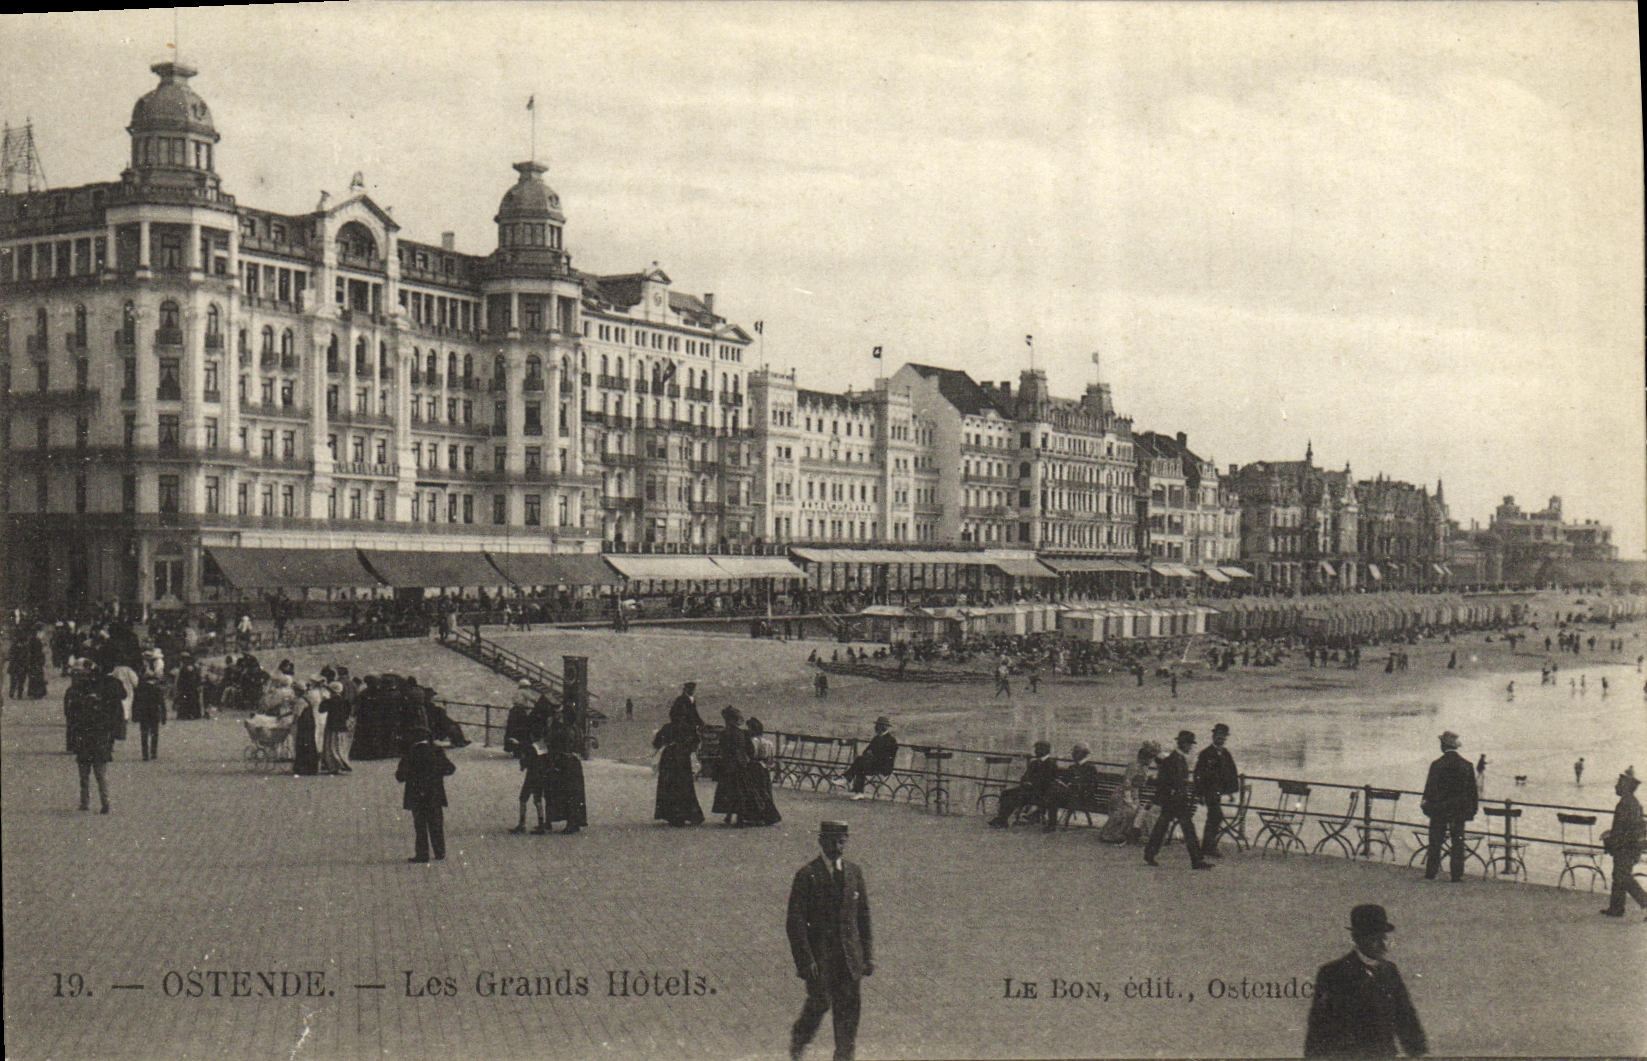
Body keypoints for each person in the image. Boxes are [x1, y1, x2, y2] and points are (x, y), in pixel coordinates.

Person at [786, 820, 873, 1061]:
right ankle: (800, 1038)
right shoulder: (807, 875)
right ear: (821, 841)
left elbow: (863, 917)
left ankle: (844, 1056)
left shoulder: (854, 872)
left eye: (842, 841)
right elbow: (795, 923)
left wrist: (867, 956)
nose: (838, 847)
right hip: (820, 958)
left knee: (848, 1011)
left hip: (848, 957)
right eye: (833, 841)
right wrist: (805, 960)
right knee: (820, 1002)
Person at [1304, 904, 1428, 1058]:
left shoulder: (1390, 971)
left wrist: (1417, 1050)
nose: (1383, 945)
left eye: (1383, 938)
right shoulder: (1333, 973)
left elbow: (1405, 1016)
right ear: (1357, 938)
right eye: (1374, 939)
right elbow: (1318, 1026)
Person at [1143, 730, 1212, 870]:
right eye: (1189, 744)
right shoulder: (1174, 760)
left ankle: (1150, 854)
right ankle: (1196, 860)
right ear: (1183, 744)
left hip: (1174, 799)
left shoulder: (1175, 759)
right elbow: (1167, 780)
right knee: (1186, 829)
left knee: (1163, 827)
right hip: (1175, 800)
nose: (1191, 747)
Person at [1420, 730, 1478, 882]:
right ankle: (1456, 875)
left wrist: (1428, 807)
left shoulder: (1436, 765)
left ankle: (1431, 872)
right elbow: (1472, 792)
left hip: (1439, 809)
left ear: (1443, 746)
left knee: (1435, 841)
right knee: (1457, 842)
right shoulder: (1467, 765)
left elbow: (1429, 789)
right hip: (1458, 810)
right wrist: (1471, 811)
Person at [394, 723, 456, 863]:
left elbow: (400, 776)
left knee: (420, 826)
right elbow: (450, 769)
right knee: (436, 823)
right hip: (435, 794)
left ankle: (422, 854)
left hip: (416, 795)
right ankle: (440, 852)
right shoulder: (436, 751)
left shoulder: (410, 753)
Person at [65, 659, 118, 814]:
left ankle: (85, 802)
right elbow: (108, 731)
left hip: (85, 749)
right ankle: (105, 802)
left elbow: (75, 728)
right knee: (101, 778)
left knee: (85, 778)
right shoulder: (103, 715)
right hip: (99, 750)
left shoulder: (82, 716)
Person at [1600, 766, 1647, 919]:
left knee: (1623, 877)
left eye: (1619, 783)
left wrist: (1613, 839)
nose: (1616, 786)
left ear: (1626, 786)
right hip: (1628, 846)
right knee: (1619, 875)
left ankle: (1639, 902)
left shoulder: (1627, 804)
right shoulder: (1630, 802)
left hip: (1627, 847)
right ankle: (1616, 908)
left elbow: (1628, 830)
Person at [652, 710, 705, 827]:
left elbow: (656, 743)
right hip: (682, 757)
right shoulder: (688, 728)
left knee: (669, 785)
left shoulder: (667, 727)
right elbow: (696, 742)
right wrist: (687, 749)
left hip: (669, 757)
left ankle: (673, 815)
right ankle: (689, 814)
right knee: (685, 785)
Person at [987, 740, 1058, 828]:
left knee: (1015, 795)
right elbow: (1025, 776)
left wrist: (1032, 784)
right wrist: (1025, 781)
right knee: (1006, 793)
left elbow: (1047, 782)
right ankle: (1002, 819)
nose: (1035, 751)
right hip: (1029, 790)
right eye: (1036, 749)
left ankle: (1002, 819)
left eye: (1037, 749)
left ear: (1045, 750)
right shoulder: (1034, 763)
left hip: (1040, 793)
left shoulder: (1051, 764)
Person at [1099, 741, 1158, 844]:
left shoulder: (1143, 768)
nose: (1151, 761)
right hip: (1123, 795)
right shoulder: (1134, 766)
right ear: (1145, 757)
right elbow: (1127, 783)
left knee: (1135, 811)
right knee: (1128, 811)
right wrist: (1129, 800)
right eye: (1150, 758)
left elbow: (1139, 782)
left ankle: (1124, 833)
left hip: (1133, 794)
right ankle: (1110, 833)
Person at [1195, 722, 1240, 858]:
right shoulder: (1205, 754)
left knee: (1214, 817)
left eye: (1223, 737)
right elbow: (1198, 774)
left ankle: (1207, 846)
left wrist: (1231, 792)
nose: (1221, 739)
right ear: (1213, 736)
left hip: (1218, 792)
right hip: (1209, 791)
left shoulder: (1225, 754)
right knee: (1216, 816)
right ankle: (1208, 847)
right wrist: (1200, 794)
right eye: (1219, 736)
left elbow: (1231, 773)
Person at [712, 706, 756, 826]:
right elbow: (751, 751)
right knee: (740, 791)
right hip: (741, 765)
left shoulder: (724, 733)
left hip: (728, 766)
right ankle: (738, 817)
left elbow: (721, 750)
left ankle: (730, 816)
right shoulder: (743, 733)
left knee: (729, 791)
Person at [1044, 742, 1101, 832]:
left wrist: (1079, 787)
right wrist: (1061, 782)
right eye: (1073, 753)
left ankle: (1048, 821)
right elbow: (1065, 780)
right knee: (1054, 794)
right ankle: (1052, 824)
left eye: (1076, 753)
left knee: (1053, 795)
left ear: (1084, 754)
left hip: (1083, 798)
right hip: (1070, 795)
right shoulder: (1072, 767)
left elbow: (1093, 786)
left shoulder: (1090, 768)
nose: (1073, 755)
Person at [838, 716, 897, 801]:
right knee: (860, 763)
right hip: (873, 764)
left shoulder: (891, 740)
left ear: (885, 727)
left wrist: (873, 756)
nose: (877, 727)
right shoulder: (876, 738)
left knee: (860, 762)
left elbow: (887, 757)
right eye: (877, 725)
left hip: (883, 767)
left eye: (880, 725)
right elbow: (866, 751)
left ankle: (848, 780)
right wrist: (871, 755)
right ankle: (858, 791)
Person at [743, 717, 783, 827]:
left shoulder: (751, 741)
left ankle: (755, 816)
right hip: (763, 768)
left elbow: (748, 755)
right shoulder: (768, 743)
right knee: (764, 791)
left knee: (753, 791)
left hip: (753, 767)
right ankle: (768, 815)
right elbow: (770, 759)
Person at [132, 672, 166, 761]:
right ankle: (153, 752)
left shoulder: (140, 689)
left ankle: (145, 754)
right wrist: (163, 717)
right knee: (154, 733)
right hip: (154, 713)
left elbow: (135, 703)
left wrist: (135, 715)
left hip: (144, 714)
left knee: (144, 734)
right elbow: (162, 704)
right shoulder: (157, 689)